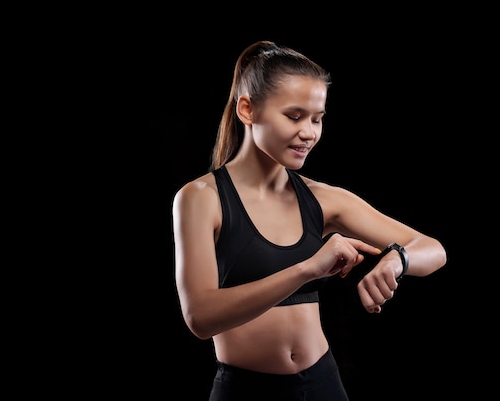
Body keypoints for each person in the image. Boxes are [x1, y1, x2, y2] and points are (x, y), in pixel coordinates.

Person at [172, 40, 447, 400]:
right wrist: (308, 268)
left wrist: (397, 258)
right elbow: (201, 318)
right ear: (247, 109)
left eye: (317, 119)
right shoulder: (201, 199)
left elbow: (433, 249)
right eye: (294, 116)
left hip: (322, 385)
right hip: (244, 390)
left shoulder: (323, 199)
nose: (310, 132)